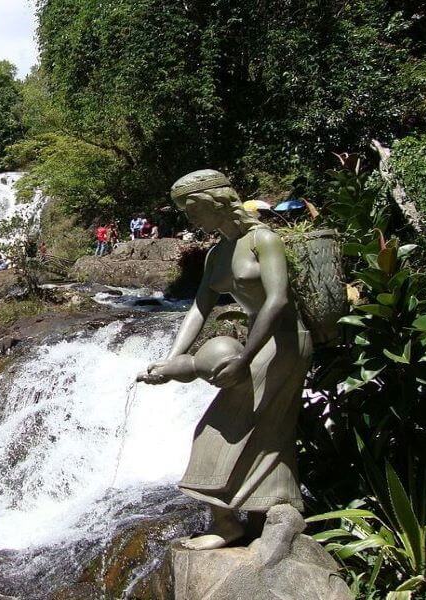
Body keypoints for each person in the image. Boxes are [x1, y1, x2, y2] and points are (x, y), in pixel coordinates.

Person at [139, 169, 312, 551]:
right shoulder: (216, 254)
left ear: (214, 202)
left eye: (192, 209)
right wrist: (171, 361)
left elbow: (278, 299)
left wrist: (246, 357)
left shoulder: (263, 240)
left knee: (230, 429)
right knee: (260, 430)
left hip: (284, 341)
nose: (190, 218)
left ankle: (248, 519)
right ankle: (254, 516)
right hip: (257, 341)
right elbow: (199, 308)